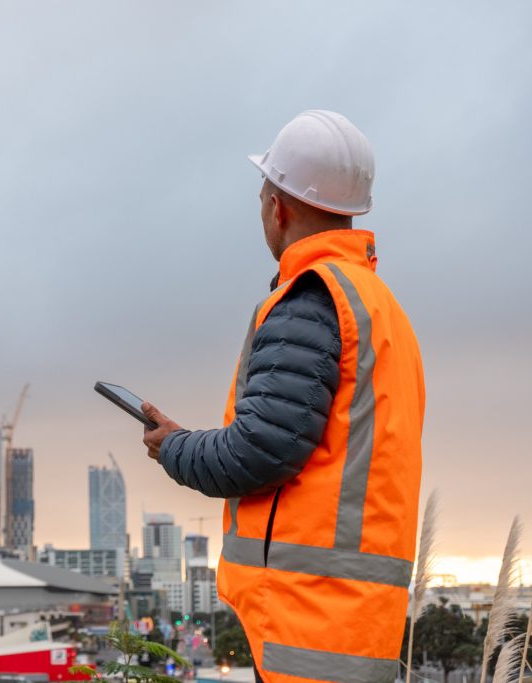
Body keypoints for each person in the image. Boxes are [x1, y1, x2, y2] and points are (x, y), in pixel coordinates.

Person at [141, 110, 424, 683]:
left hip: (308, 617)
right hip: (355, 617)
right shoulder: (379, 307)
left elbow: (262, 451)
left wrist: (173, 446)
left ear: (280, 207)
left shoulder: (312, 299)